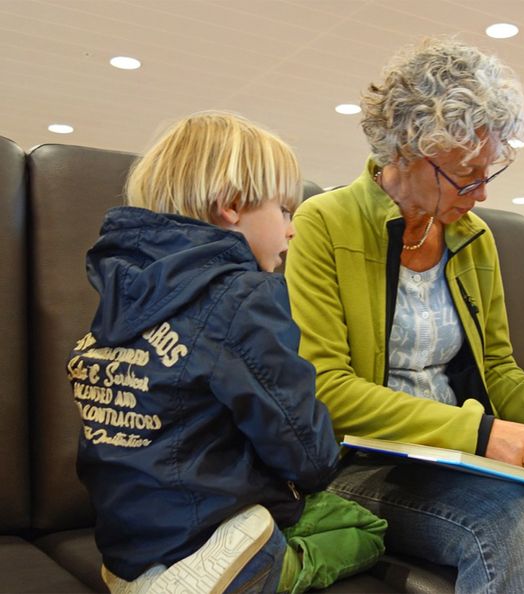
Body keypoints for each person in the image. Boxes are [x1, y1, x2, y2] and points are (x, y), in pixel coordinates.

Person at [284, 37, 524, 594]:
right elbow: (327, 390)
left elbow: (499, 372)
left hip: (466, 452)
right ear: (407, 150)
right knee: (515, 520)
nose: (481, 191)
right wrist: (482, 432)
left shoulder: (473, 237)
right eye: (465, 173)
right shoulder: (325, 223)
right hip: (365, 464)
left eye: (488, 170)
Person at [66, 111, 386, 594]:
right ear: (232, 206)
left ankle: (144, 577)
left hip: (125, 533)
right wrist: (321, 468)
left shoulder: (122, 285)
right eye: (284, 210)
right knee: (363, 528)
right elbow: (297, 438)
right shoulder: (243, 294)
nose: (292, 230)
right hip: (206, 522)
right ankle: (262, 563)